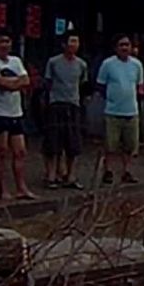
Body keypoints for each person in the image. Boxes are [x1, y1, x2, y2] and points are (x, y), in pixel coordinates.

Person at [0, 31, 34, 200]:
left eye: (7, 41)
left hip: (16, 112)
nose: (5, 45)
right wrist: (15, 83)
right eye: (1, 41)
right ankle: (3, 189)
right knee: (1, 151)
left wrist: (15, 83)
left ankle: (21, 187)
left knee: (20, 151)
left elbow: (26, 81)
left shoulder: (16, 61)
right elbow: (2, 84)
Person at [96, 36, 144, 185]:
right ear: (116, 47)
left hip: (131, 111)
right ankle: (108, 171)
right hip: (112, 111)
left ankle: (127, 171)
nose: (124, 48)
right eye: (121, 45)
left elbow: (140, 86)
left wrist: (137, 98)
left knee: (130, 145)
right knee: (111, 145)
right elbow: (100, 85)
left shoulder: (137, 65)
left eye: (127, 45)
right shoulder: (108, 64)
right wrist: (111, 99)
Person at [42, 34, 89, 188]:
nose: (74, 44)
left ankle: (71, 176)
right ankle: (51, 175)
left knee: (73, 144)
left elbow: (83, 84)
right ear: (64, 44)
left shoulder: (81, 64)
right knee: (53, 143)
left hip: (73, 105)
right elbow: (47, 83)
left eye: (77, 41)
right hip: (56, 104)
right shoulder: (53, 62)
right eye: (71, 41)